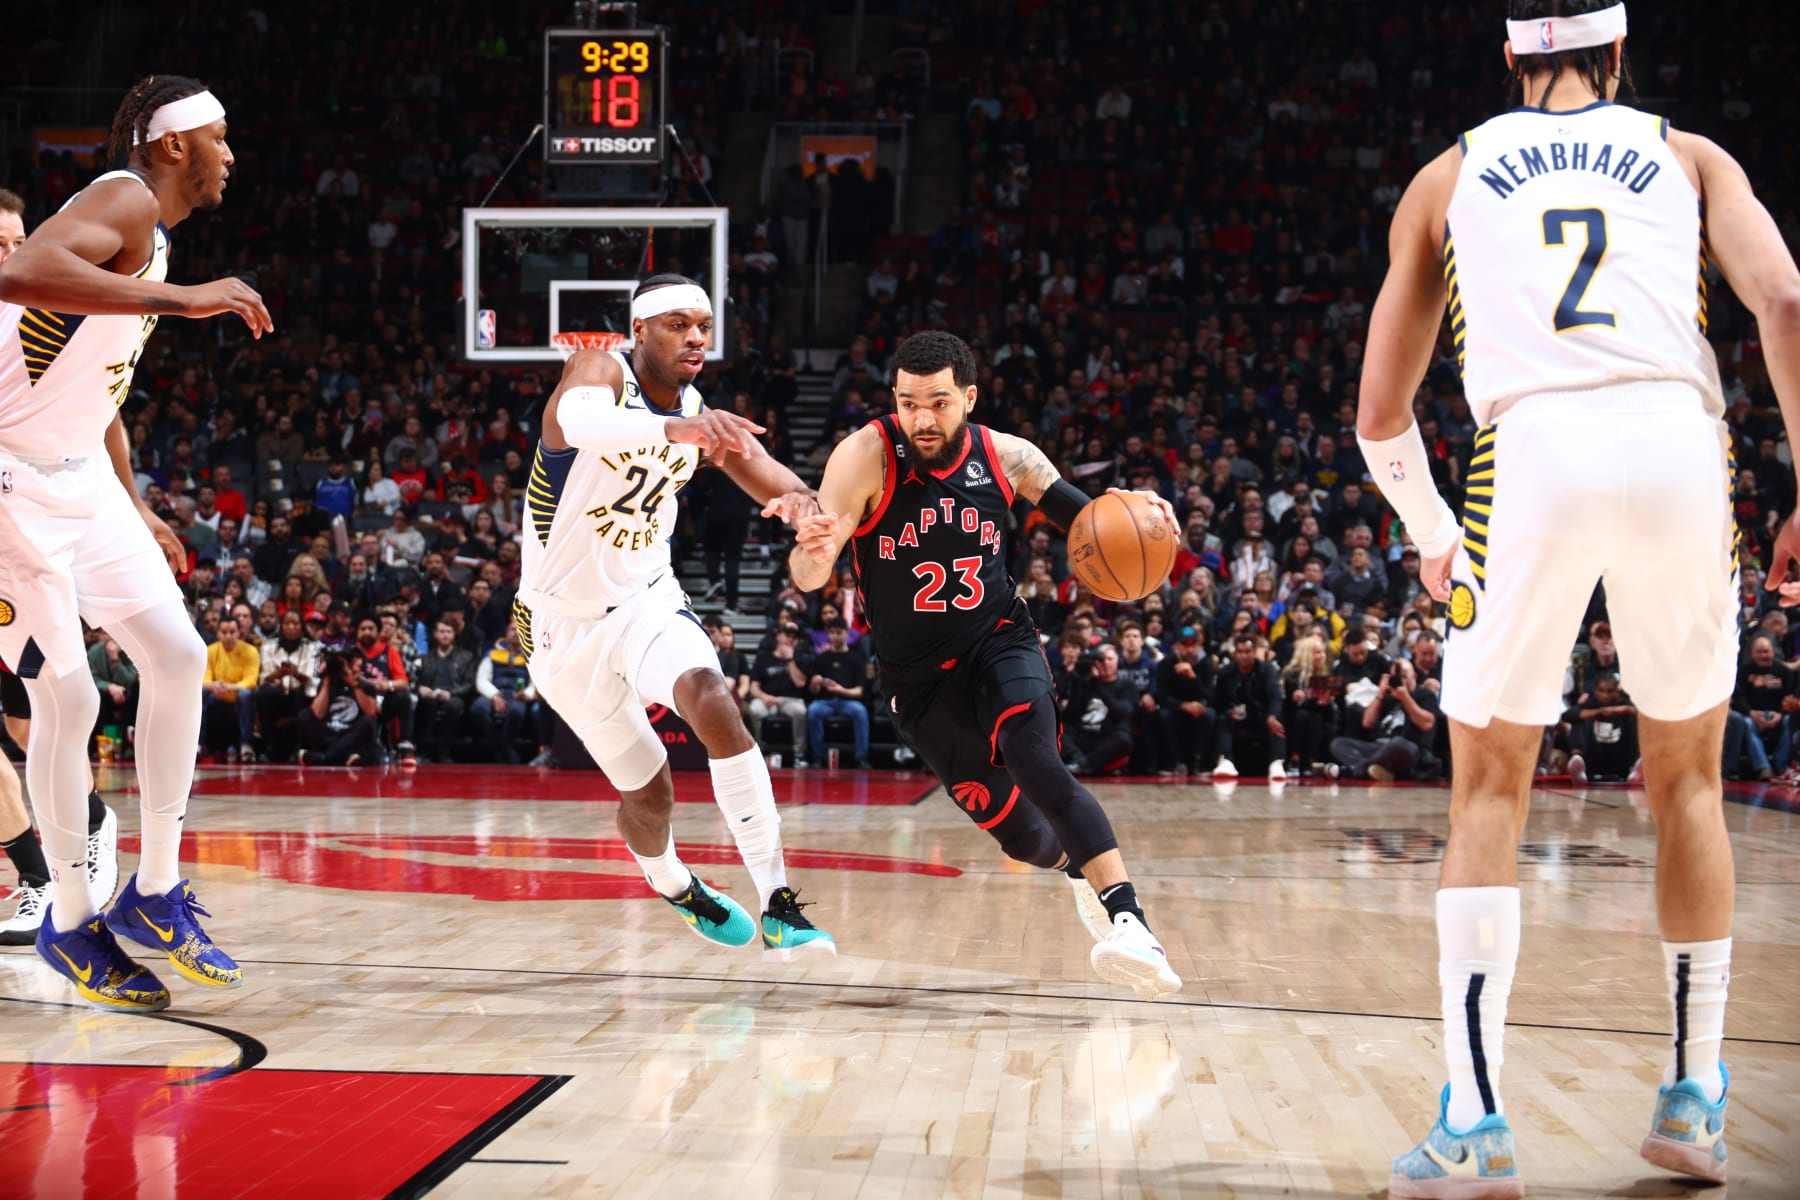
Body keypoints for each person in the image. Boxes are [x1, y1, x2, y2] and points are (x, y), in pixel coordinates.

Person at [1360, 6, 1798, 1189]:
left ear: (1509, 57)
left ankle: (1477, 1123)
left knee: (1489, 786)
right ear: (1622, 57)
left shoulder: (1447, 175)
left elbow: (1380, 417)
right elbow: (1788, 302)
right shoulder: (1690, 154)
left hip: (1534, 453)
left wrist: (1436, 536)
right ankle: (1695, 1101)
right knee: (1691, 777)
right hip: (1679, 443)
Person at [792, 330, 1181, 998]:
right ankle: (1074, 868)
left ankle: (1131, 922)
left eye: (939, 402)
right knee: (1023, 840)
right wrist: (816, 552)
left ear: (968, 398)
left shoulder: (1010, 457)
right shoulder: (864, 458)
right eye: (909, 402)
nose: (922, 418)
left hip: (997, 640)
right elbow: (806, 573)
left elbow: (1092, 523)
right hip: (916, 686)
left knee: (1035, 757)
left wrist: (1141, 517)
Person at [0, 76, 266, 1010]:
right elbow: (17, 272)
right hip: (8, 483)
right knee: (66, 698)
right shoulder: (124, 196)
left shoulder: (155, 231)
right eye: (219, 138)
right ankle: (69, 918)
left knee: (179, 655)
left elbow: (96, 385)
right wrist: (186, 301)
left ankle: (152, 894)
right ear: (173, 145)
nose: (231, 154)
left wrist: (138, 500)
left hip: (80, 474)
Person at [516, 274, 834, 956]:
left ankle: (779, 900)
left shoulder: (698, 411)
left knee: (712, 698)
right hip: (561, 625)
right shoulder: (598, 369)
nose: (695, 337)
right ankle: (673, 884)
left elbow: (772, 474)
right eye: (677, 324)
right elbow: (579, 422)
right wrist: (680, 428)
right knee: (651, 793)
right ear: (639, 330)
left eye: (704, 326)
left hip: (645, 598)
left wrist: (809, 510)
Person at [1210, 634, 1287, 781]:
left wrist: (1272, 716)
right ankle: (1226, 760)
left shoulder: (1267, 670)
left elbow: (1275, 698)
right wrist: (1228, 711)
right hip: (1237, 715)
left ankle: (1277, 763)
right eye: (1240, 652)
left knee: (1277, 722)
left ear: (1254, 652)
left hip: (1261, 715)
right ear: (1235, 654)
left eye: (1247, 651)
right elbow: (1218, 702)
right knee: (1222, 719)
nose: (1244, 655)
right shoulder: (1226, 673)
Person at [255, 609, 320, 763]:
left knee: (303, 695)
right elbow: (263, 678)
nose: (291, 627)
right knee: (264, 694)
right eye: (287, 623)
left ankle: (298, 746)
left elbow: (313, 680)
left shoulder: (313, 648)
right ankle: (267, 744)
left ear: (302, 627)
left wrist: (296, 673)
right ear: (281, 626)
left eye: (295, 623)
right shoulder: (268, 647)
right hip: (277, 693)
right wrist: (280, 674)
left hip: (301, 694)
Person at [297, 647, 381, 766]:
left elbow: (371, 712)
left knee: (367, 723)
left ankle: (325, 758)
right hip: (331, 733)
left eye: (357, 666)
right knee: (304, 715)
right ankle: (341, 756)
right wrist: (326, 682)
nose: (353, 669)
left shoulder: (366, 687)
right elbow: (318, 713)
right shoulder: (328, 683)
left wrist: (353, 684)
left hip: (352, 734)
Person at [804, 618, 870, 767]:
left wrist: (843, 690)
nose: (834, 636)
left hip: (847, 700)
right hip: (826, 701)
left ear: (846, 634)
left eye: (838, 633)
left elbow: (859, 691)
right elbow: (813, 692)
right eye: (832, 633)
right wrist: (815, 683)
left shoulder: (856, 659)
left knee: (860, 712)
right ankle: (817, 756)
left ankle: (862, 756)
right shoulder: (821, 659)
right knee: (813, 710)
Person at [414, 617, 476, 763]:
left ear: (454, 634)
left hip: (453, 694)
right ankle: (425, 749)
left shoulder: (466, 657)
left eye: (448, 632)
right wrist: (420, 688)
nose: (445, 635)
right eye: (441, 632)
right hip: (431, 694)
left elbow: (469, 683)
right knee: (426, 704)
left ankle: (444, 749)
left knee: (453, 706)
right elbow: (416, 680)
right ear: (435, 634)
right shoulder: (425, 658)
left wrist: (452, 693)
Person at [201, 617, 259, 762]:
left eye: (232, 632)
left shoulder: (250, 651)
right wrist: (214, 687)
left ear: (239, 632)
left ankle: (246, 745)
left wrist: (230, 687)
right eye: (224, 632)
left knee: (246, 694)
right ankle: (198, 744)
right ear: (218, 633)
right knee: (200, 692)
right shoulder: (210, 650)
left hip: (238, 698)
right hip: (216, 696)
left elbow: (251, 680)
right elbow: (203, 678)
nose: (228, 636)